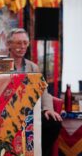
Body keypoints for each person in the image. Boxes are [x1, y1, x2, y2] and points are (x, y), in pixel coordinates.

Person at [6, 28, 62, 156]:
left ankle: (39, 152)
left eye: (25, 43)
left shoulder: (33, 67)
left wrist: (47, 109)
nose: (23, 46)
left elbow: (43, 90)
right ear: (9, 44)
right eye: (18, 43)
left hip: (31, 111)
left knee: (53, 123)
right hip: (9, 112)